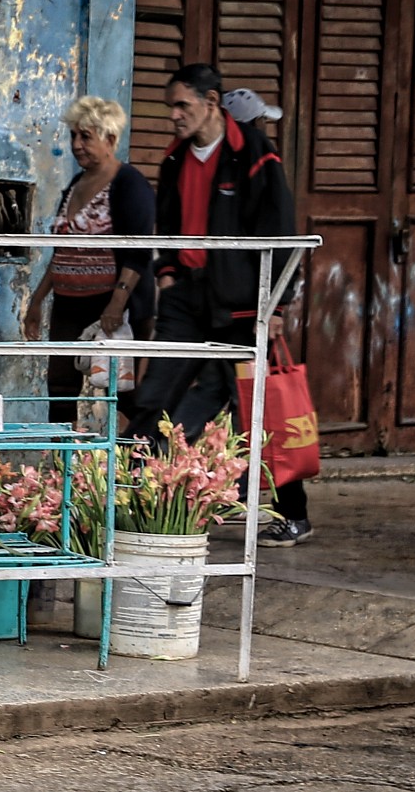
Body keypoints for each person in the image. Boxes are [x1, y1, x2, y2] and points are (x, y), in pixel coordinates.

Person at [126, 63, 310, 546]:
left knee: (257, 408)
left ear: (211, 103)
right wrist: (166, 275)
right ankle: (132, 498)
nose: (174, 115)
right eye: (170, 107)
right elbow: (164, 225)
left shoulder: (254, 155)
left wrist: (278, 307)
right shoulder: (174, 159)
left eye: (182, 105)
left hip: (244, 301)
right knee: (157, 391)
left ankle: (294, 513)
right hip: (187, 295)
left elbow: (280, 232)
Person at [25, 95, 154, 425]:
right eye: (73, 136)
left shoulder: (129, 183)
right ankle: (61, 466)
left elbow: (137, 250)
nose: (77, 145)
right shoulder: (75, 184)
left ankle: (127, 465)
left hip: (113, 308)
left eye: (86, 136)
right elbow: (63, 251)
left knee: (122, 390)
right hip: (68, 304)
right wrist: (37, 302)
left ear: (110, 139)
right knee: (61, 386)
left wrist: (116, 303)